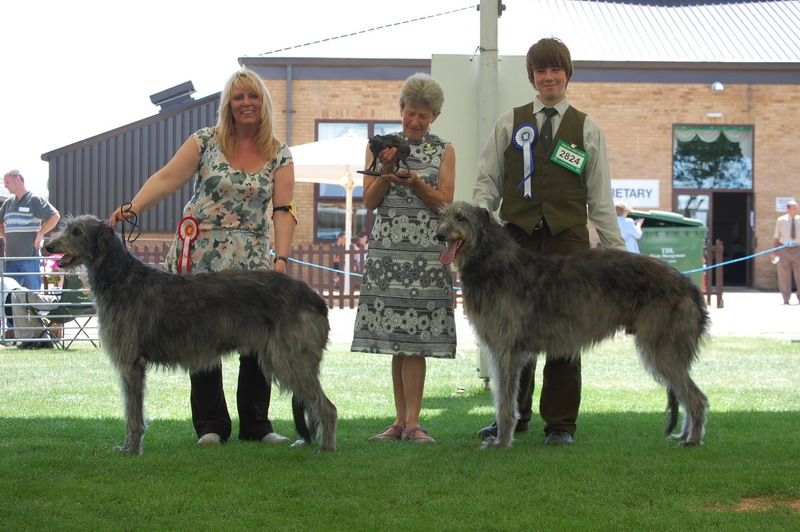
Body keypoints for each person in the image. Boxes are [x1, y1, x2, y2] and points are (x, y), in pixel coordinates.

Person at [109, 68, 296, 446]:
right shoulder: (204, 141)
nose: (246, 103)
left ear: (264, 103)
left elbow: (283, 208)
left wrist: (282, 258)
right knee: (200, 336)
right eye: (238, 97)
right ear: (228, 104)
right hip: (201, 251)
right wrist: (133, 206)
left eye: (253, 96)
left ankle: (257, 426)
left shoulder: (280, 153)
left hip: (251, 256)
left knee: (257, 340)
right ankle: (211, 425)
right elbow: (166, 179)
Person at [472, 37, 626, 446]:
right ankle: (513, 418)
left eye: (555, 69)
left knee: (564, 335)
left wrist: (620, 257)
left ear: (567, 74)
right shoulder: (510, 123)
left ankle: (560, 425)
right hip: (515, 244)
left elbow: (601, 200)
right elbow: (487, 182)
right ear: (532, 77)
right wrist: (479, 221)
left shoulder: (588, 129)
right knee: (512, 334)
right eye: (540, 71)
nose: (548, 77)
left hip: (568, 245)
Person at [351, 73, 457, 444]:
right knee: (397, 339)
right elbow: (368, 201)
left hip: (428, 254)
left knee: (417, 339)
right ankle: (399, 422)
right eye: (410, 113)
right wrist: (385, 171)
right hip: (388, 252)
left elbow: (445, 202)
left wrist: (415, 183)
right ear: (400, 110)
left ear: (434, 118)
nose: (415, 122)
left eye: (423, 117)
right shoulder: (380, 147)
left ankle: (414, 423)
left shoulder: (444, 150)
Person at [0, 170, 61, 291]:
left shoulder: (35, 199)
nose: (5, 185)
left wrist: (40, 233)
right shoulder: (8, 203)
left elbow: (55, 216)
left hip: (29, 257)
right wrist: (5, 237)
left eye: (7, 182)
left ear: (18, 180)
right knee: (9, 295)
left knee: (34, 293)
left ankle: (35, 310)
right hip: (10, 259)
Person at [771, 199, 800, 304]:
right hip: (784, 249)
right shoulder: (781, 220)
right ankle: (785, 298)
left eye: (797, 208)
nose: (796, 210)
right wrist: (774, 252)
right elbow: (776, 237)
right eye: (794, 208)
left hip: (798, 249)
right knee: (784, 275)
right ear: (788, 209)